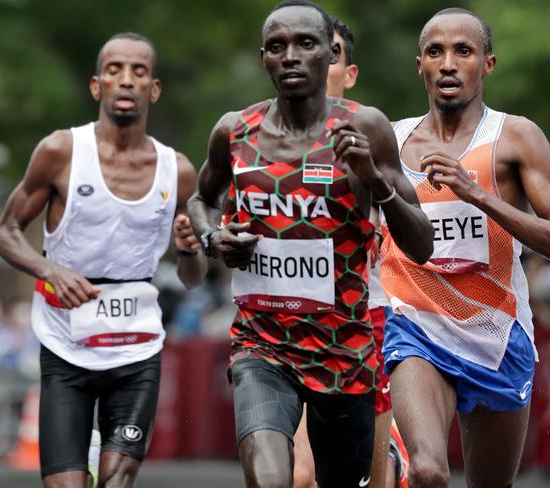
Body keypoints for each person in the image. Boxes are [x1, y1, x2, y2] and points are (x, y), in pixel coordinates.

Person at [188, 1, 433, 486]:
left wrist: (375, 181)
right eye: (277, 47)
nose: (291, 56)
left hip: (344, 349)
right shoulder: (234, 131)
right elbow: (201, 199)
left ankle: (387, 461)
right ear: (264, 58)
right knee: (273, 480)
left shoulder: (366, 128)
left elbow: (422, 244)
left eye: (306, 44)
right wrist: (213, 238)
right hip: (262, 345)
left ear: (329, 54)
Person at [0, 32, 207, 487]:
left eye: (139, 71)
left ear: (154, 89)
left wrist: (190, 250)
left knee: (115, 479)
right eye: (114, 70)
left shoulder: (177, 170)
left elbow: (193, 278)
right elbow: (6, 233)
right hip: (65, 347)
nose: (126, 80)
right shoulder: (61, 152)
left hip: (136, 350)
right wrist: (51, 269)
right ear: (97, 86)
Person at [380, 8, 550, 487]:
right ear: (420, 66)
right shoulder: (388, 139)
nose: (448, 63)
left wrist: (478, 195)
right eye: (436, 52)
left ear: (487, 64)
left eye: (463, 51)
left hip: (495, 333)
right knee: (429, 472)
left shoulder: (515, 138)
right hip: (415, 324)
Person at [291, 17, 405, 488]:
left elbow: (413, 224)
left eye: (330, 53)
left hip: (363, 321)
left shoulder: (370, 132)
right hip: (289, 323)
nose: (317, 60)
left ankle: (393, 458)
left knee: (369, 480)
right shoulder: (261, 136)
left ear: (348, 72)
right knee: (298, 478)